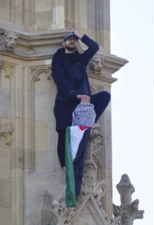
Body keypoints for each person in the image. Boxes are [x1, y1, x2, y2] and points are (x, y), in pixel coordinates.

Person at [51, 28, 111, 176]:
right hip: (65, 104)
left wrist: (80, 36)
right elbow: (61, 82)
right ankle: (65, 169)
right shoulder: (57, 60)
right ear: (63, 43)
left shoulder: (80, 59)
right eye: (69, 39)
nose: (72, 41)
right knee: (64, 135)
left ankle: (89, 124)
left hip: (82, 105)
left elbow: (95, 47)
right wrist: (75, 95)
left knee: (104, 96)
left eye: (74, 40)